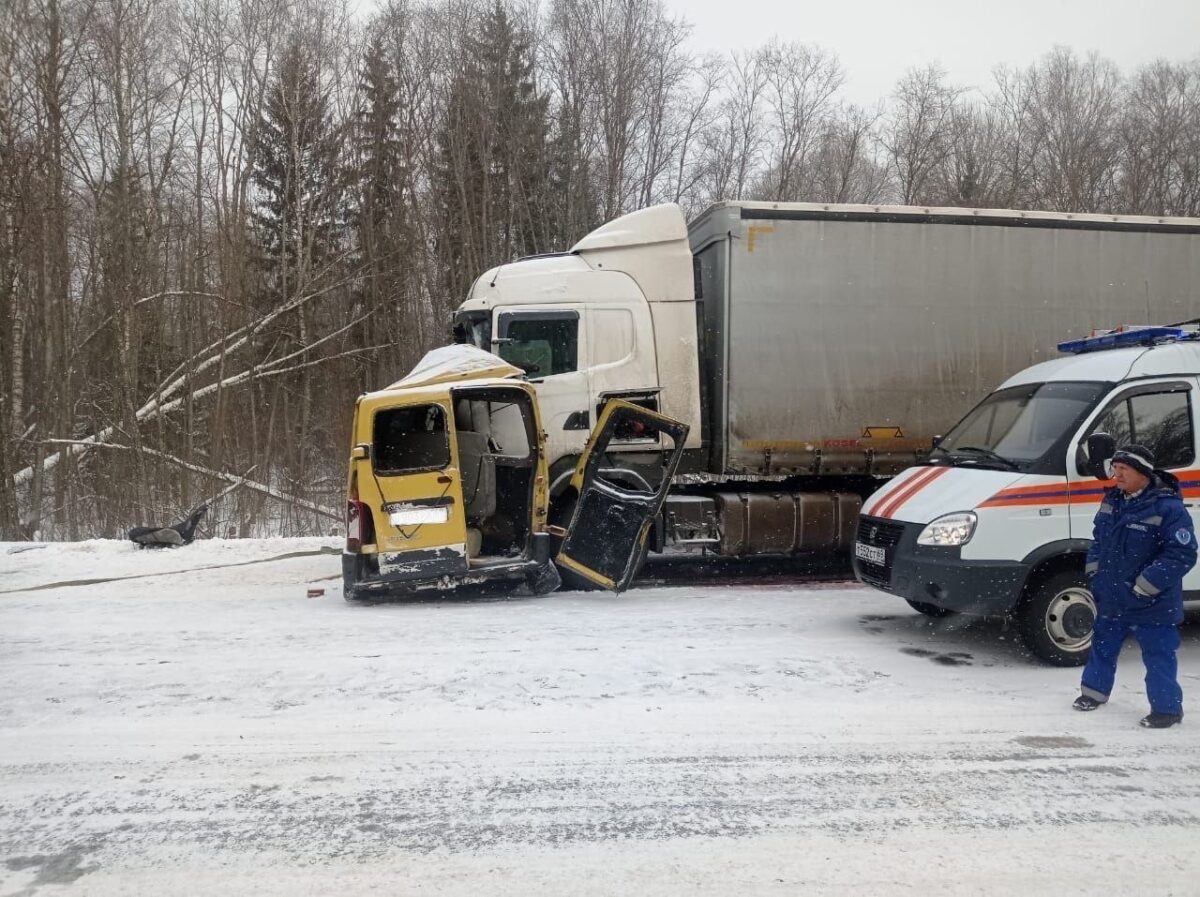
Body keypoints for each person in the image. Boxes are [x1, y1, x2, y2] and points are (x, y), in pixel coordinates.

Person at [1074, 444, 1196, 728]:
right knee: (1102, 646)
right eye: (1115, 470)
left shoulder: (1169, 508)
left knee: (1158, 656)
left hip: (1152, 601)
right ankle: (1093, 693)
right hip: (1113, 595)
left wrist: (1146, 585)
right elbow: (1099, 541)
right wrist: (1095, 573)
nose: (1116, 476)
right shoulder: (1112, 501)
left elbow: (1182, 553)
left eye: (1123, 470)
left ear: (1142, 472)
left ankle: (1166, 711)